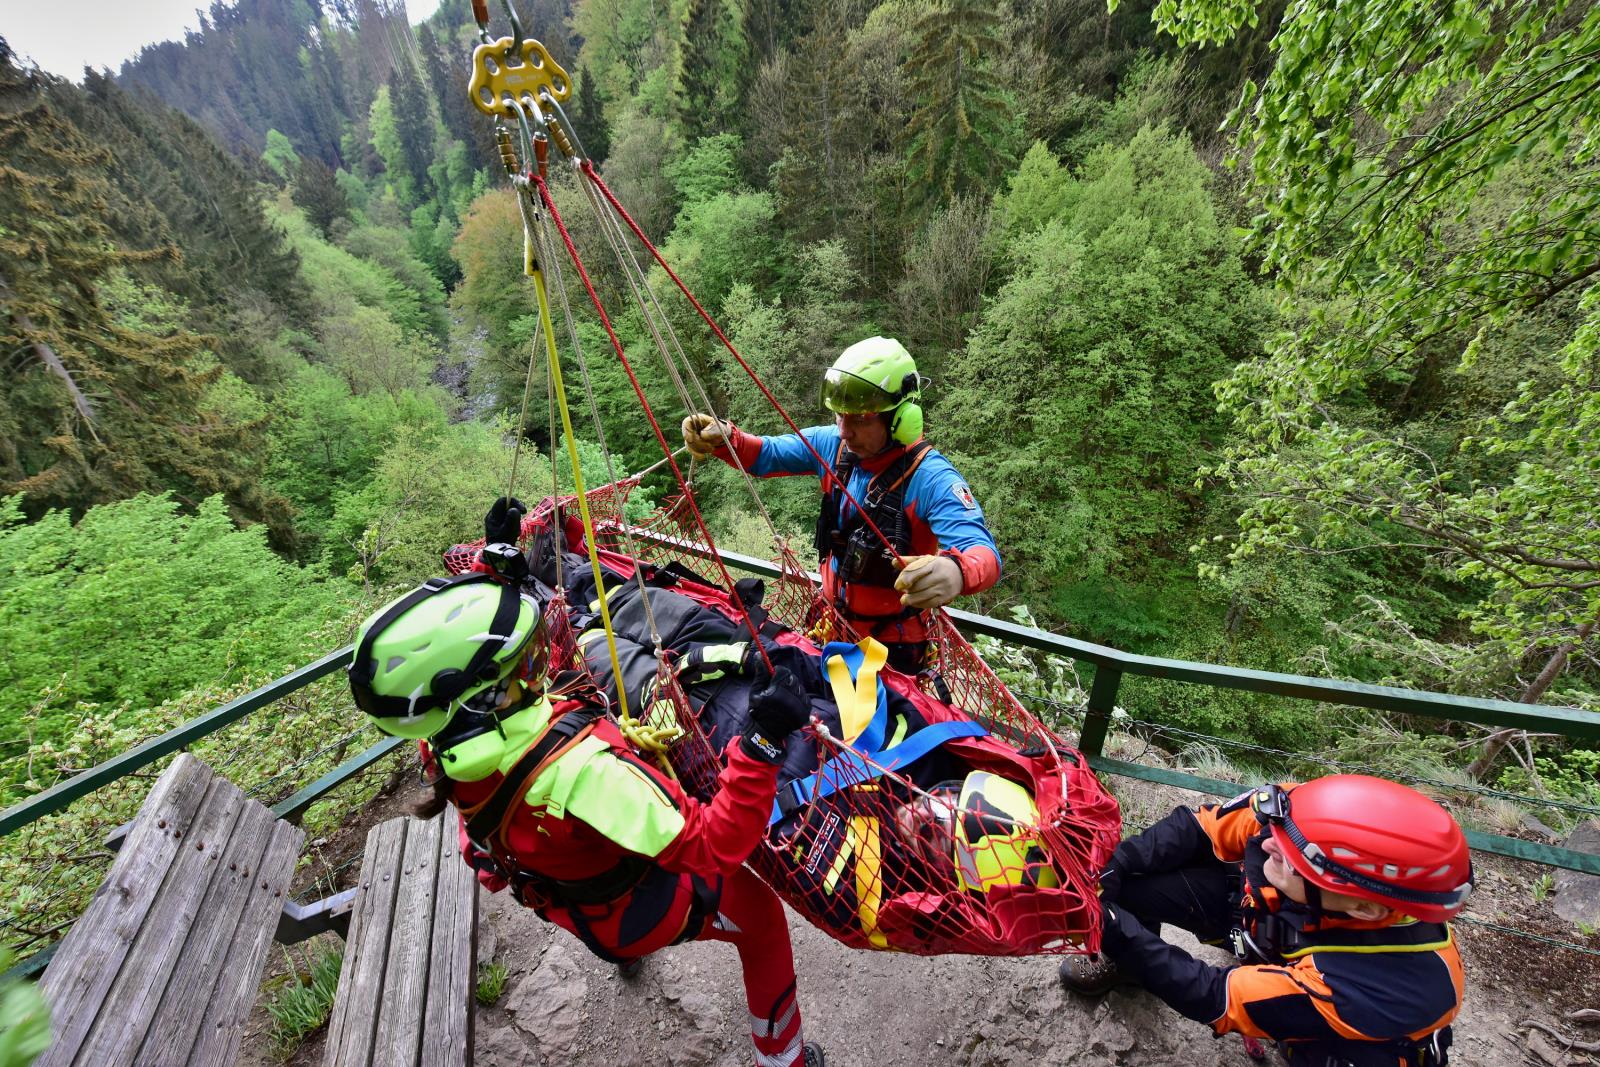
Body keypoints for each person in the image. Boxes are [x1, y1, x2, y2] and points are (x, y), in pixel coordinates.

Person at [348, 500, 827, 1067]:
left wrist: (496, 574)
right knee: (763, 921)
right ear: (483, 698)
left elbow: (508, 669)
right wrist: (762, 746)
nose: (541, 665)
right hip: (632, 905)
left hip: (562, 889)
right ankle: (785, 1060)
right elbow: (713, 845)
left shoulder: (447, 739)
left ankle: (624, 947)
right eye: (524, 666)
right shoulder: (586, 772)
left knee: (590, 856)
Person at [1060, 775, 1472, 1066]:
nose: (1271, 843)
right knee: (1130, 882)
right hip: (1269, 927)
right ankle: (1130, 970)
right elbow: (1200, 827)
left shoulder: (1395, 989)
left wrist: (1111, 926)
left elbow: (1215, 997)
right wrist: (1118, 863)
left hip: (1343, 1033)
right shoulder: (1302, 816)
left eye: (1296, 861)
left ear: (1365, 908)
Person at [681, 336, 1000, 675]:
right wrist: (725, 438)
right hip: (831, 627)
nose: (845, 431)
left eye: (860, 419)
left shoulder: (930, 478)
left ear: (902, 419)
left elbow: (983, 553)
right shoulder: (831, 445)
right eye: (840, 416)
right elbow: (766, 455)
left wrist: (956, 571)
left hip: (890, 653)